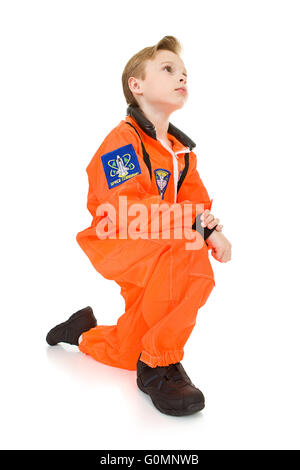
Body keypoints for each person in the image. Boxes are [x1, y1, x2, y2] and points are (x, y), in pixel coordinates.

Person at [46, 36, 232, 417]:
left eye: (184, 73)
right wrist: (197, 227)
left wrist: (209, 226)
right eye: (168, 69)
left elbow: (196, 205)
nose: (181, 77)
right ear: (137, 84)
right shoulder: (122, 142)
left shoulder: (182, 154)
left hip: (159, 244)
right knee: (190, 254)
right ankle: (159, 365)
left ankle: (81, 333)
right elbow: (127, 209)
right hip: (119, 240)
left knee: (129, 349)